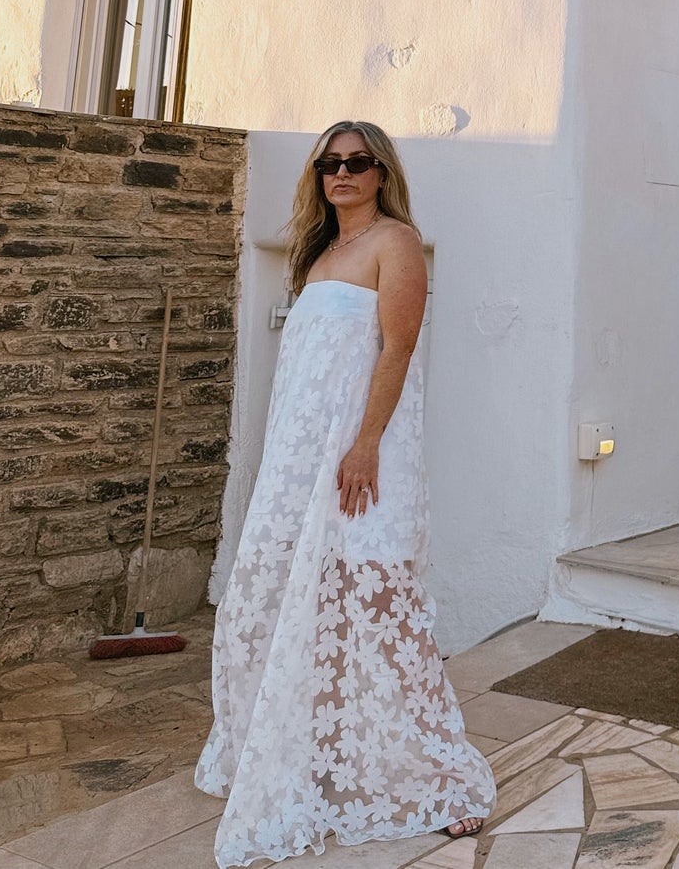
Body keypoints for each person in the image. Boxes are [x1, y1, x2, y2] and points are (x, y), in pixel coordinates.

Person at [195, 121, 495, 867]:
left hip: (364, 461)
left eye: (357, 162)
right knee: (303, 605)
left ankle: (445, 781)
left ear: (381, 172)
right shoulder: (318, 255)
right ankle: (326, 756)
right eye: (330, 163)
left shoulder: (396, 242)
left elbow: (396, 349)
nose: (343, 173)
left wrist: (364, 445)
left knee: (384, 608)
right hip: (301, 468)